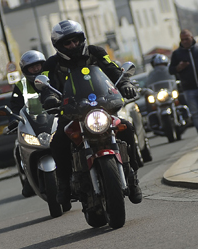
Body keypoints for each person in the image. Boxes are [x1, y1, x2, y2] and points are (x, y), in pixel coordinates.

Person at [40, 20, 142, 207]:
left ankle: (133, 174)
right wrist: (48, 98)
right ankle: (63, 184)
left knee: (126, 127)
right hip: (72, 112)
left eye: (76, 40)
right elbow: (46, 85)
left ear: (82, 39)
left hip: (102, 107)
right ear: (58, 45)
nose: (73, 45)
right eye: (67, 42)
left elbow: (112, 70)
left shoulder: (96, 52)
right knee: (58, 141)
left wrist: (125, 84)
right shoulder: (52, 63)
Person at [8, 50, 46, 129]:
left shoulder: (51, 77)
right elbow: (16, 106)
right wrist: (14, 119)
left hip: (56, 119)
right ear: (26, 70)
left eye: (37, 65)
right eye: (32, 67)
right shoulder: (20, 85)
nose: (35, 69)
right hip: (32, 126)